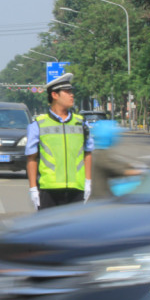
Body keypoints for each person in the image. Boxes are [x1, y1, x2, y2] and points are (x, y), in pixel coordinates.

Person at [25, 73, 93, 210]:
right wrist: (33, 188)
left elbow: (87, 153)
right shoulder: (39, 124)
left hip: (76, 189)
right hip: (48, 189)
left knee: (73, 231)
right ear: (55, 95)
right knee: (49, 230)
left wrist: (88, 182)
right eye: (67, 92)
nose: (71, 95)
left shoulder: (81, 123)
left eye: (71, 92)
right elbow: (31, 158)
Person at [90, 120, 145, 200]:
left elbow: (114, 163)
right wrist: (141, 171)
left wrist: (130, 165)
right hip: (100, 198)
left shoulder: (95, 152)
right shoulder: (101, 154)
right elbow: (118, 170)